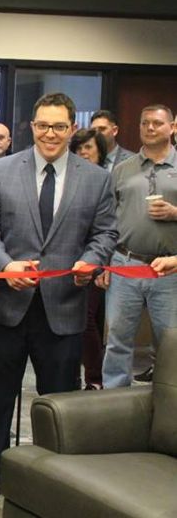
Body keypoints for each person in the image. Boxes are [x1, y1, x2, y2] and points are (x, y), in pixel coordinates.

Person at [0, 92, 117, 505]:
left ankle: (55, 479)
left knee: (57, 402)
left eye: (58, 126)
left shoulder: (97, 179)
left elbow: (106, 232)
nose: (49, 134)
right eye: (42, 125)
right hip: (5, 307)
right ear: (31, 127)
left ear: (72, 129)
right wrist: (5, 265)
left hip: (64, 306)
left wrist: (91, 261)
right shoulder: (0, 171)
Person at [98, 104, 176, 389]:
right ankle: (113, 405)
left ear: (172, 127)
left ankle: (169, 406)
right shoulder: (122, 169)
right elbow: (105, 220)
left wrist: (175, 213)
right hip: (124, 263)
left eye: (157, 123)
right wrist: (103, 263)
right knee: (117, 340)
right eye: (145, 123)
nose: (151, 128)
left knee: (170, 343)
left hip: (169, 268)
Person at [69, 128, 108, 390]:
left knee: (87, 320)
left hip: (94, 262)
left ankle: (94, 378)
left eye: (89, 148)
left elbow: (107, 229)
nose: (83, 153)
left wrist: (100, 264)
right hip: (66, 265)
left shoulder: (104, 179)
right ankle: (73, 377)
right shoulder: (67, 178)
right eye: (79, 148)